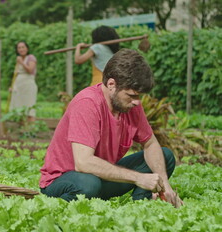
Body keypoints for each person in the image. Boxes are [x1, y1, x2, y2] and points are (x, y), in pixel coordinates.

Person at [40, 49, 183, 208]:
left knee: (165, 156)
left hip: (100, 179)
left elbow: (150, 144)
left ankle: (143, 207)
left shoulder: (130, 105)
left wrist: (164, 184)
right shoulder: (87, 103)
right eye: (132, 95)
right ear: (111, 84)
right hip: (64, 181)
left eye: (139, 96)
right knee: (89, 184)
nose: (137, 102)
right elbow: (83, 163)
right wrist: (138, 177)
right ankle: (55, 208)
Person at [8, 41, 38, 122]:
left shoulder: (31, 58)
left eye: (23, 47)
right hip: (18, 87)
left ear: (27, 48)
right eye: (19, 48)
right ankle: (22, 130)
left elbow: (30, 70)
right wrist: (12, 86)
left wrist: (21, 63)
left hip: (28, 86)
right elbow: (16, 74)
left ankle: (31, 131)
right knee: (19, 110)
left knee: (29, 109)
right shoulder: (18, 59)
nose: (21, 49)